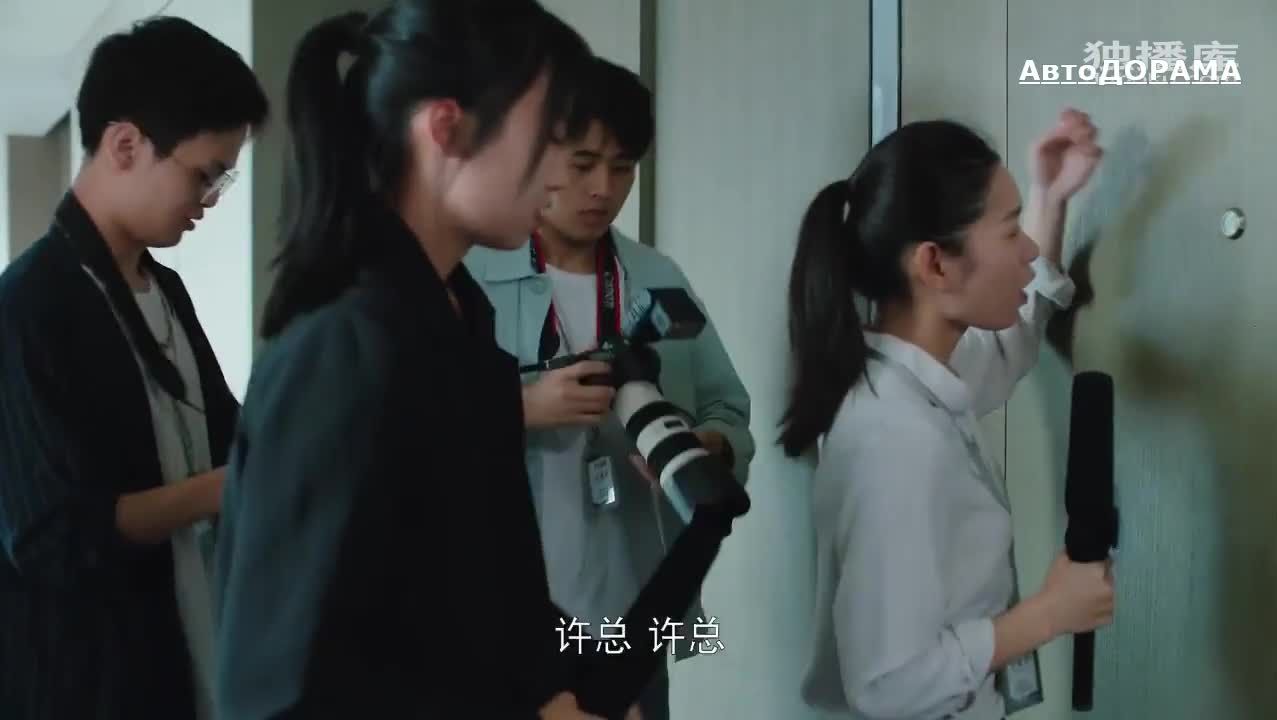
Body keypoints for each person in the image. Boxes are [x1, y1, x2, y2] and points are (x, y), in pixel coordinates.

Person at [212, 4, 736, 718]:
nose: (563, 175)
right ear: (447, 129)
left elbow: (481, 601)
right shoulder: (340, 352)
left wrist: (561, 691)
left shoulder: (462, 327)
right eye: (549, 139)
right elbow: (282, 691)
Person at [782, 110, 1116, 720]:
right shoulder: (893, 438)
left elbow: (1010, 345)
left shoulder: (912, 379)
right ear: (935, 265)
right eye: (1011, 232)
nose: (1028, 251)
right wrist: (1049, 613)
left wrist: (1050, 198)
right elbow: (887, 685)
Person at [463, 56, 754, 720]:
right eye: (583, 163)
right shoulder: (471, 274)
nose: (603, 188)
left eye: (623, 168)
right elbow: (407, 428)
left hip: (634, 603)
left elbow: (727, 407)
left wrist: (707, 446)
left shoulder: (656, 277)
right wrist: (520, 410)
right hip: (505, 613)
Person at [0, 16, 268, 720]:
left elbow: (224, 436)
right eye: (204, 175)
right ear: (126, 145)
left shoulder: (164, 289)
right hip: (89, 685)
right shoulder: (26, 306)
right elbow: (52, 538)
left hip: (190, 654)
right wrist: (226, 485)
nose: (210, 200)